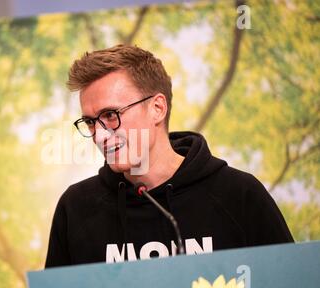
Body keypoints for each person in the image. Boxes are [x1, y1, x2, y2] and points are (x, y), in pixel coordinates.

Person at [45, 44, 293, 268]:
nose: (99, 136)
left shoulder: (239, 195)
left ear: (157, 108)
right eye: (90, 122)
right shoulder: (76, 208)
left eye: (111, 115)